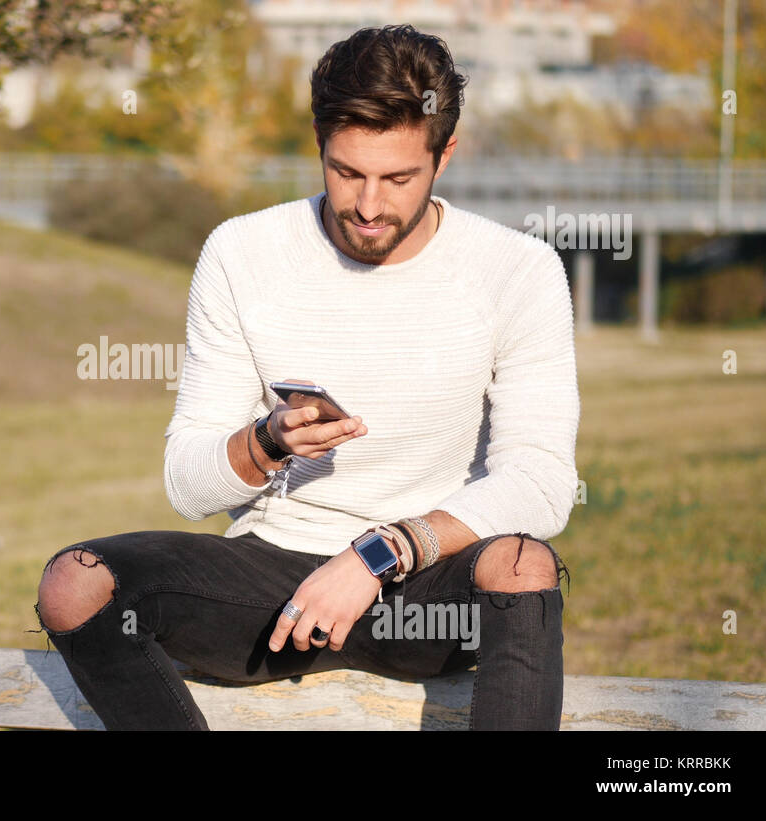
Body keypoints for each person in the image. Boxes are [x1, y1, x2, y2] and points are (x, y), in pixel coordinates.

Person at [34, 23, 579, 730]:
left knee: (522, 565)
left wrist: (382, 551)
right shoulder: (241, 252)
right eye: (346, 172)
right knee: (74, 584)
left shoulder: (520, 270)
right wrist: (267, 442)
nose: (369, 206)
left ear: (445, 155)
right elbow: (187, 482)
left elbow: (539, 481)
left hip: (426, 592)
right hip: (272, 591)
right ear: (318, 145)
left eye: (398, 178)